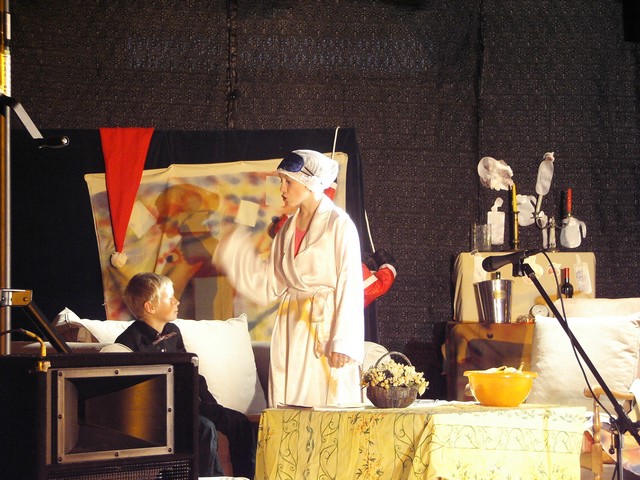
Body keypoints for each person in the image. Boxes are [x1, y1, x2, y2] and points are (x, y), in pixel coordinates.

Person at [214, 149, 365, 407]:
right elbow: (269, 284)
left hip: (324, 328)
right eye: (281, 181)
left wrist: (343, 342)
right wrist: (234, 251)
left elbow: (350, 284)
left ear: (309, 183)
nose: (282, 189)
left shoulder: (338, 223)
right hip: (291, 326)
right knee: (289, 400)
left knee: (324, 401)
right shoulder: (287, 229)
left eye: (288, 182)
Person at [115, 272, 255, 478]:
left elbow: (190, 372)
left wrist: (212, 405)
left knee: (239, 422)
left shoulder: (173, 331)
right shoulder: (129, 342)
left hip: (189, 405)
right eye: (170, 298)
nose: (177, 301)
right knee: (204, 428)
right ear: (150, 307)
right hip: (161, 413)